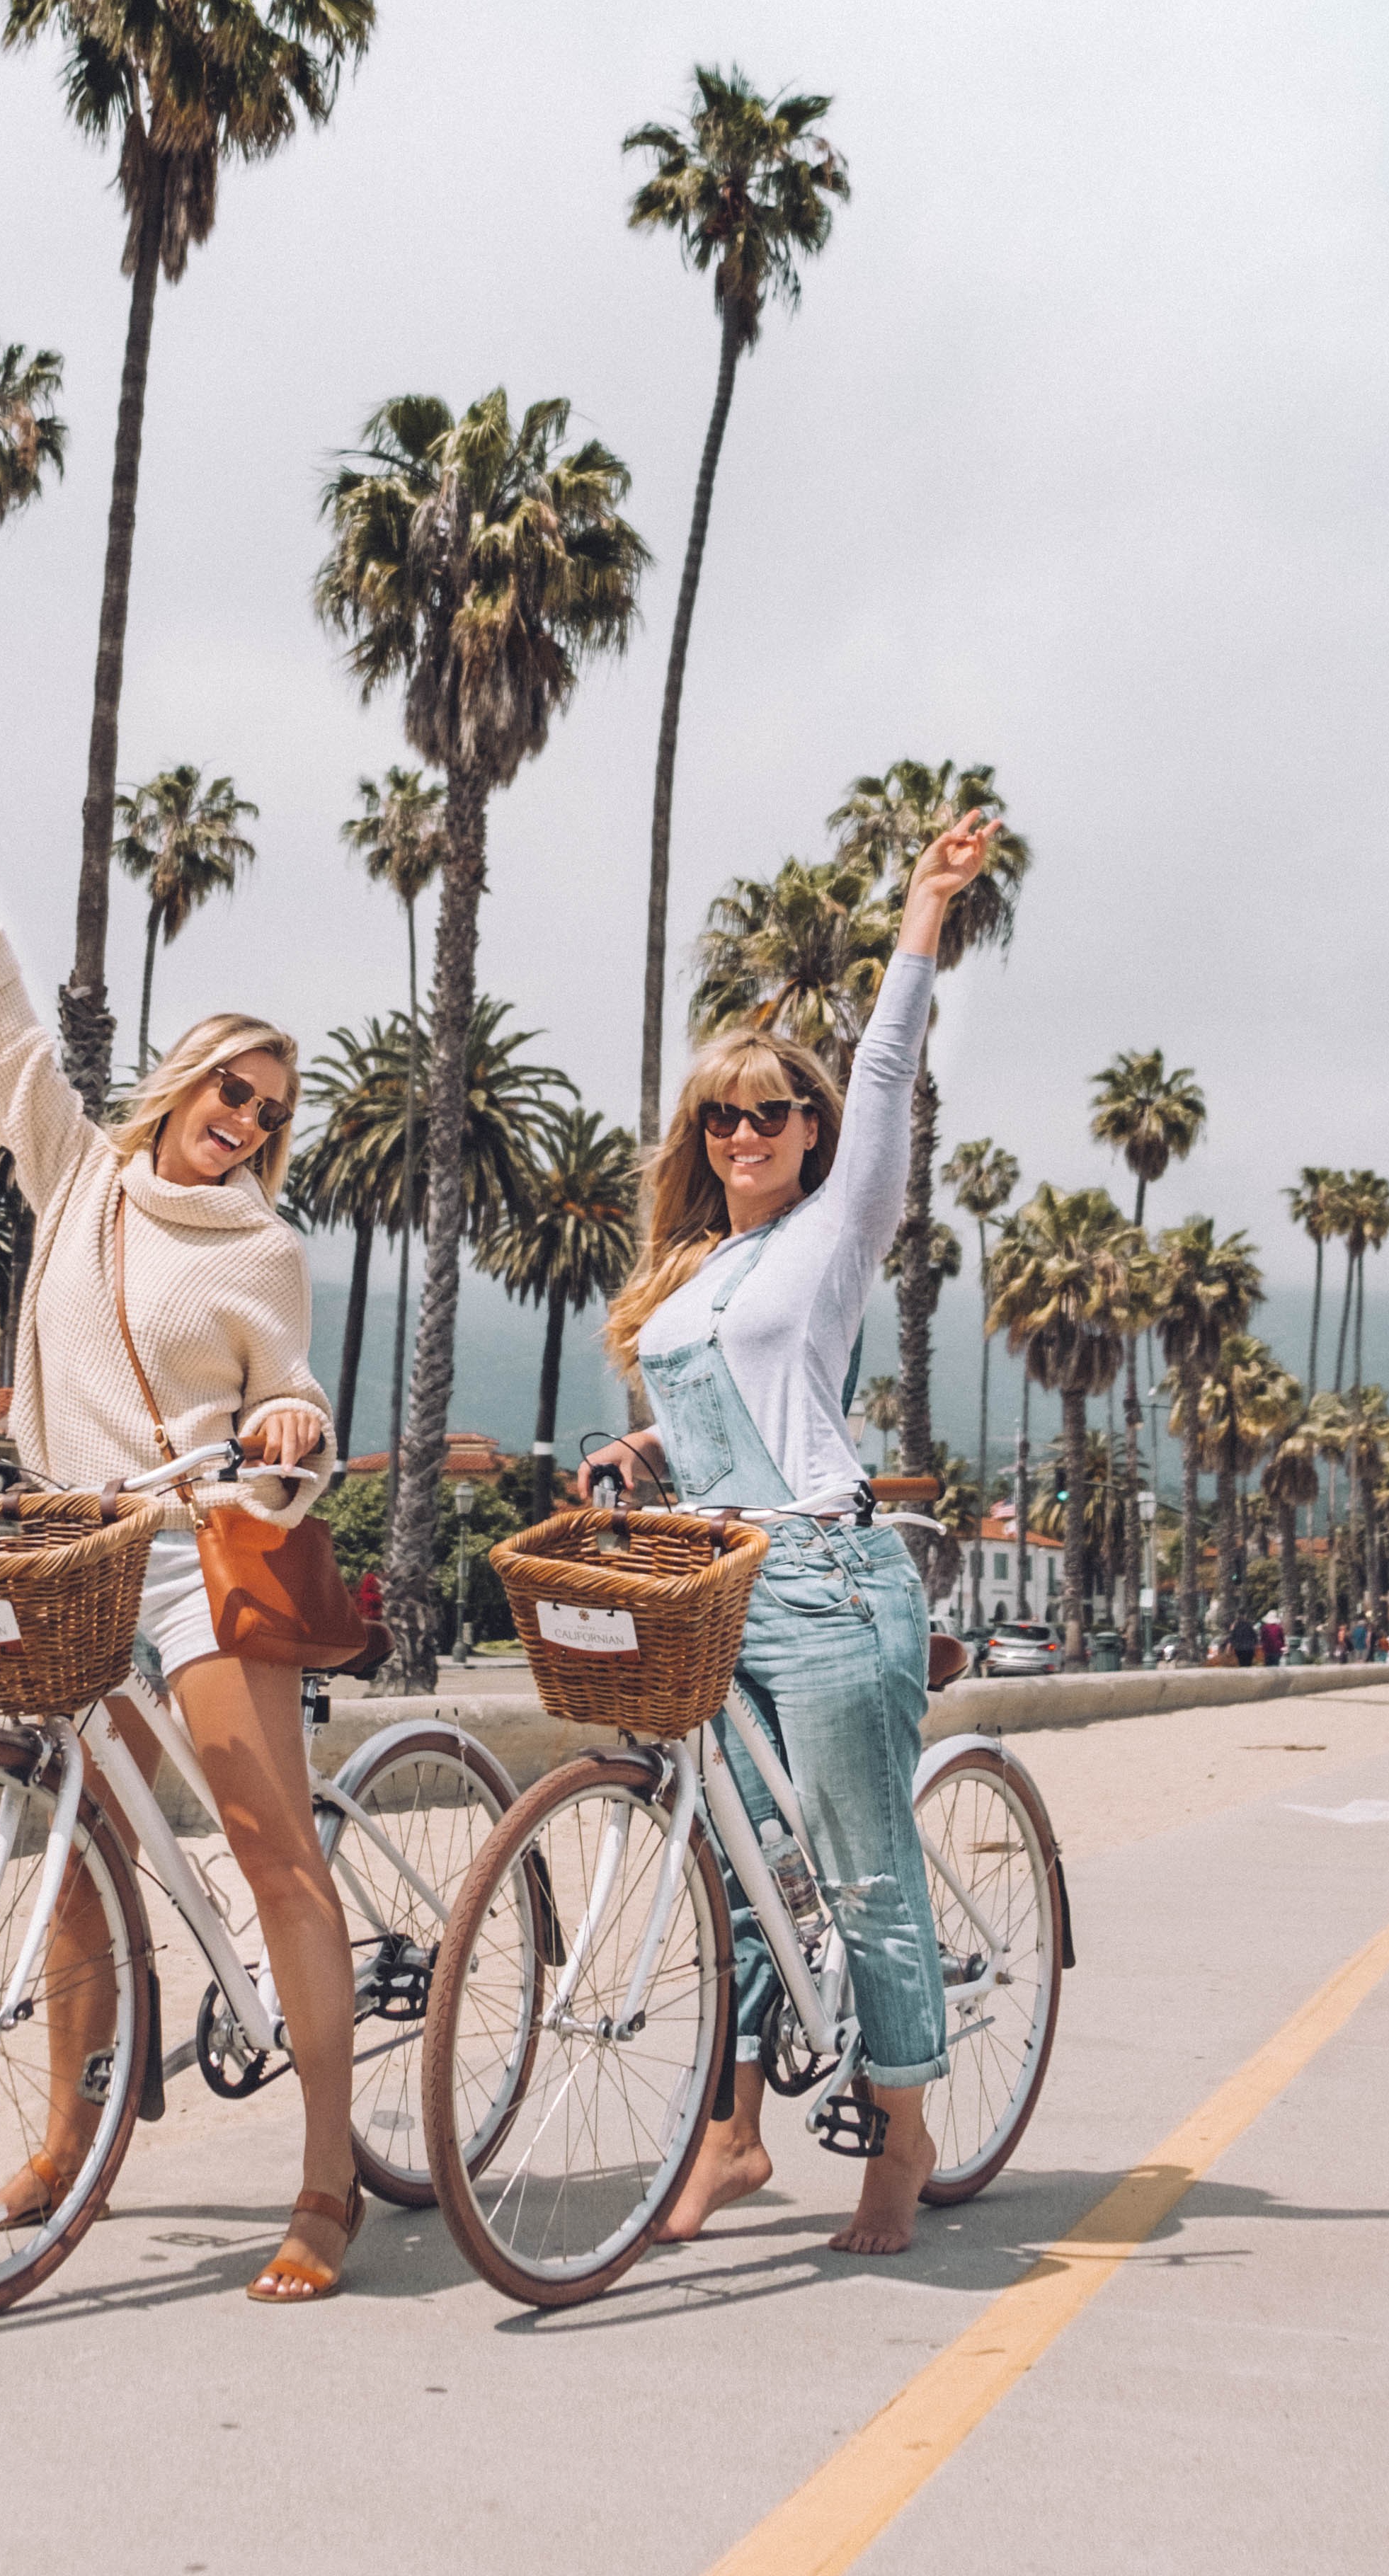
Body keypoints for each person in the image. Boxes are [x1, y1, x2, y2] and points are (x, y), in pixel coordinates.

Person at [0, 799, 362, 2306]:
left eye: (270, 1110)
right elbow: (2, 1030)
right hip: (66, 1551)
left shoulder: (259, 1245)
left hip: (199, 1551)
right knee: (78, 1868)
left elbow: (286, 1380)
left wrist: (287, 1422)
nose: (244, 1118)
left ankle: (329, 2177)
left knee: (272, 1852)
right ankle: (63, 2144)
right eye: (230, 1087)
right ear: (180, 1081)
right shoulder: (80, 1174)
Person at [583, 806, 1002, 2258]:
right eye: (722, 1114)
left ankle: (900, 2138)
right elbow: (720, 1403)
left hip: (823, 1578)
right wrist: (632, 1446)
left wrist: (918, 911)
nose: (746, 1131)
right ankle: (734, 2139)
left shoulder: (832, 1230)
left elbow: (884, 1068)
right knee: (744, 1878)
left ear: (812, 1130)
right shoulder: (689, 1268)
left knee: (863, 1872)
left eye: (772, 1110)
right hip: (713, 1588)